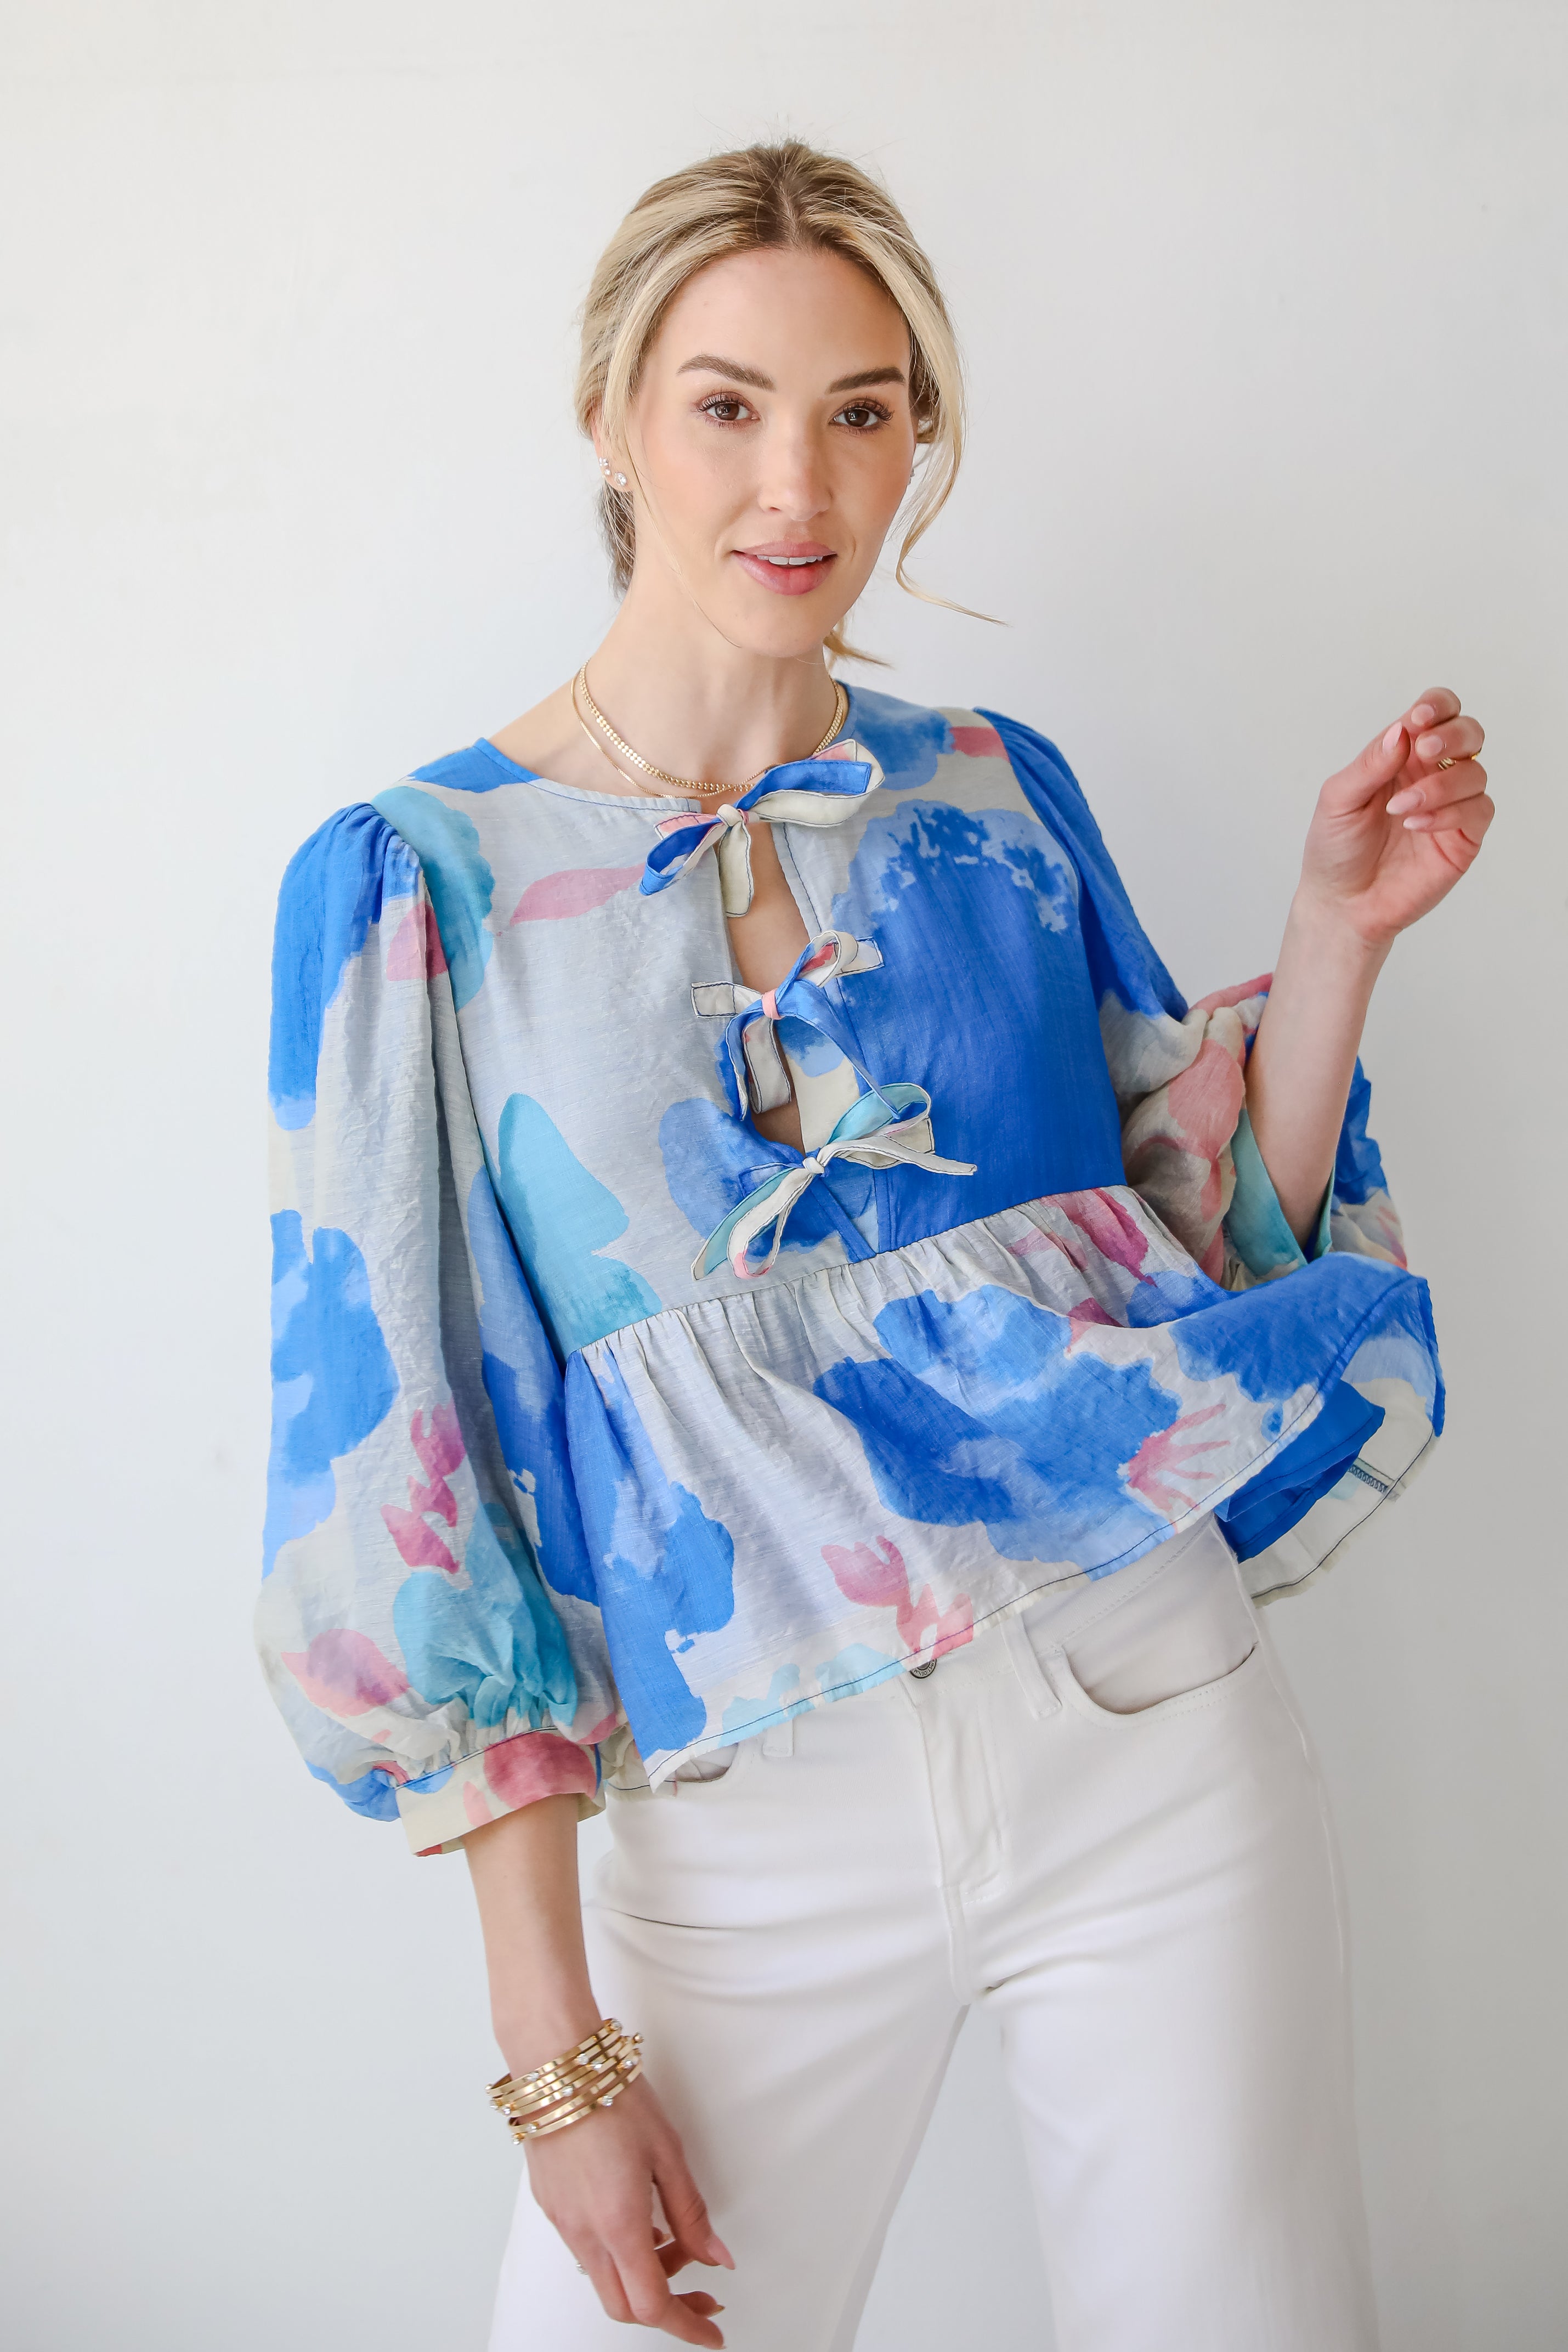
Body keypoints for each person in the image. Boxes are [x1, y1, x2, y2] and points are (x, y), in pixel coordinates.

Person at [258, 140, 1491, 2351]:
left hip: (1143, 1722)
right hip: (739, 1822)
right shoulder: (416, 881)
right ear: (610, 414)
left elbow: (1192, 1270)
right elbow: (408, 1480)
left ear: (921, 431)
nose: (797, 481)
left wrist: (1333, 938)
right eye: (726, 404)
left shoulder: (993, 792)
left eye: (862, 407)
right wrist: (555, 2057)